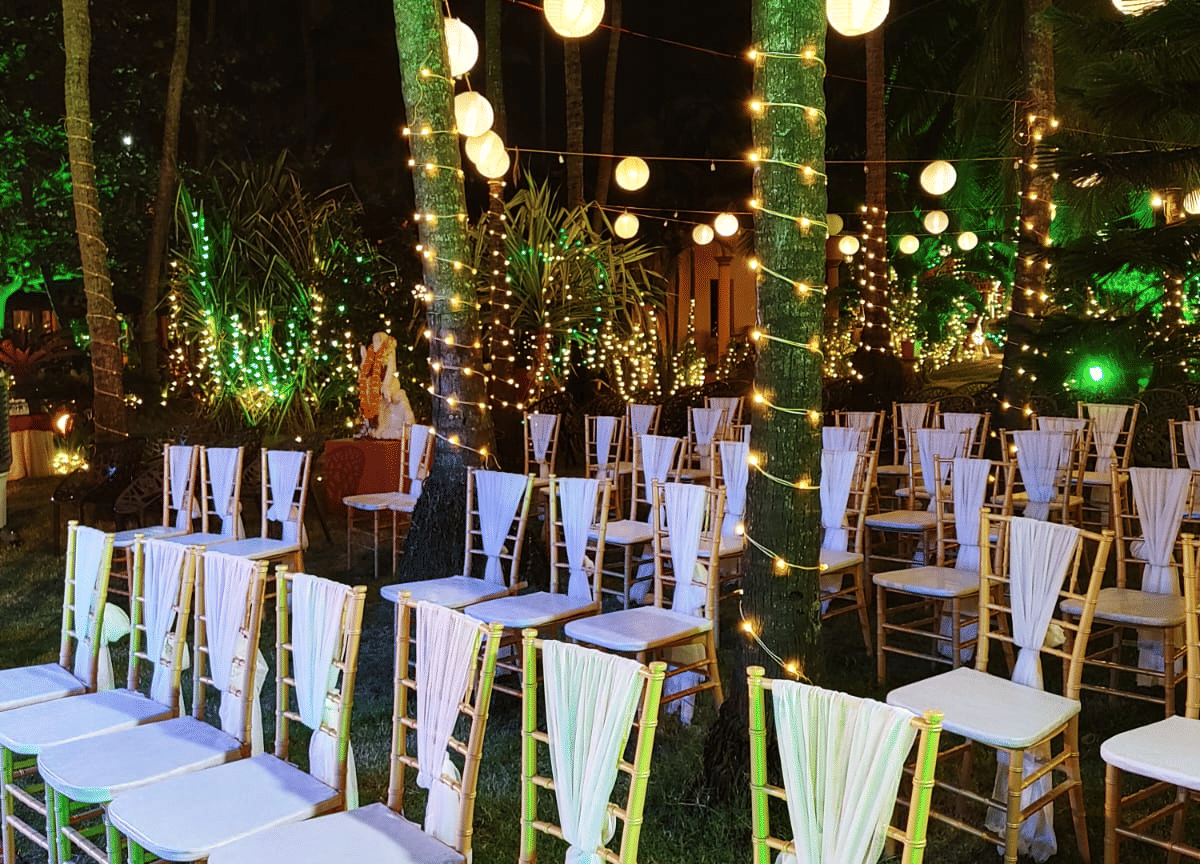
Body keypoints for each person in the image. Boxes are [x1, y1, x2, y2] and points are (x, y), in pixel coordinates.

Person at [357, 332, 413, 439]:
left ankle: (382, 426)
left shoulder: (389, 350)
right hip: (375, 383)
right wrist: (364, 357)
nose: (376, 342)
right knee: (367, 395)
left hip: (389, 383)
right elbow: (365, 371)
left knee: (383, 397)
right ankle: (370, 425)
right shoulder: (371, 352)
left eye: (378, 340)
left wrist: (385, 385)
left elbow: (391, 369)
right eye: (374, 340)